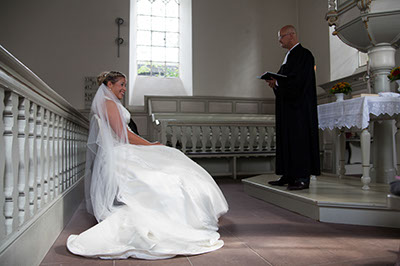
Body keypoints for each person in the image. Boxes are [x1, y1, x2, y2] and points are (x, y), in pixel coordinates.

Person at [67, 71, 228, 260]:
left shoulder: (110, 103)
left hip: (123, 149)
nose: (124, 89)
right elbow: (121, 135)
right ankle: (184, 217)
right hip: (120, 152)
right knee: (168, 167)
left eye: (126, 85)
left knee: (174, 159)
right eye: (121, 85)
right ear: (109, 85)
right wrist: (150, 145)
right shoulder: (108, 103)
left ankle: (194, 213)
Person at [266, 25, 320, 190]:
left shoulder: (304, 55)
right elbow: (285, 78)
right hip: (288, 107)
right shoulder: (290, 56)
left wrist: (279, 82)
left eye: (281, 37)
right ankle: (289, 174)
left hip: (300, 108)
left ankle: (302, 177)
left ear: (291, 35)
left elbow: (299, 80)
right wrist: (275, 83)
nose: (279, 41)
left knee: (299, 140)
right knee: (287, 139)